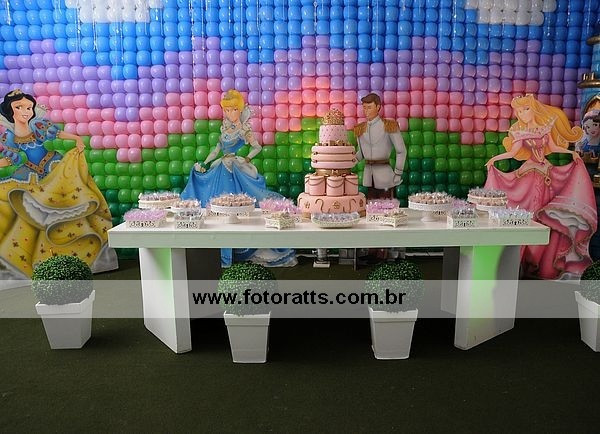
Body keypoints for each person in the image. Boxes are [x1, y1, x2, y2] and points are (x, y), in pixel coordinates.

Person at [0, 89, 117, 277]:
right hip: (30, 174)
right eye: (19, 107)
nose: (26, 111)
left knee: (70, 202)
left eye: (29, 107)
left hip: (53, 166)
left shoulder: (38, 125)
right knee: (30, 213)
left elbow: (58, 134)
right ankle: (45, 259)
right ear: (10, 110)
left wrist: (76, 139)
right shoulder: (10, 136)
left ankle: (83, 255)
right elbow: (11, 160)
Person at [485, 94, 597, 279]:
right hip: (529, 175)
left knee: (545, 217)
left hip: (546, 175)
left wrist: (571, 154)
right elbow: (512, 153)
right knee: (529, 213)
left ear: (534, 109)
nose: (523, 113)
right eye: (520, 111)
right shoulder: (520, 132)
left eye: (526, 109)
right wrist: (494, 159)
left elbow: (553, 148)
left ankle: (543, 261)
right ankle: (524, 259)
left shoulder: (545, 129)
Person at [182, 89, 296, 267]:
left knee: (241, 202)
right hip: (222, 166)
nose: (230, 113)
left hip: (235, 167)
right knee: (217, 202)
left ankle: (244, 245)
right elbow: (216, 151)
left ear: (240, 110)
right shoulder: (224, 129)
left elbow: (257, 147)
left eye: (233, 109)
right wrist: (205, 163)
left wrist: (247, 158)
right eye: (227, 110)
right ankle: (220, 246)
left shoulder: (244, 129)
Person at [354, 93, 406, 199]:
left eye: (369, 107)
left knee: (387, 206)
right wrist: (346, 163)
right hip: (368, 176)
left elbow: (401, 151)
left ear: (378, 107)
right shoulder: (360, 129)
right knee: (371, 205)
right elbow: (361, 153)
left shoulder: (389, 126)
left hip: (385, 175)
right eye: (364, 107)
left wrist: (398, 173)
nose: (366, 111)